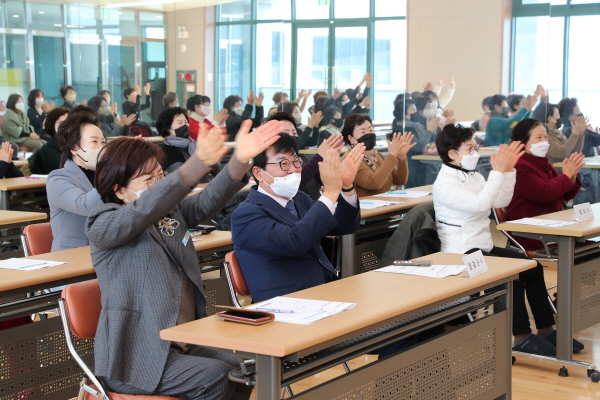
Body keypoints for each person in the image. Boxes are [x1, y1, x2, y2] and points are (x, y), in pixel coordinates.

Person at [86, 120, 283, 400]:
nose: (158, 184)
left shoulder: (167, 213)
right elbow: (144, 209)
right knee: (216, 377)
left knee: (246, 366)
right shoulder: (104, 223)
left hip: (180, 342)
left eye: (160, 175)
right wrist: (198, 162)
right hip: (134, 358)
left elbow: (206, 201)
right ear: (119, 190)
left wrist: (239, 160)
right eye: (149, 180)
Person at [433, 123, 565, 356]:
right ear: (452, 153)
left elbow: (499, 200)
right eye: (469, 149)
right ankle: (521, 335)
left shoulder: (471, 176)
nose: (475, 153)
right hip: (462, 253)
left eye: (475, 148)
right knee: (510, 273)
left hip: (482, 246)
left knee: (531, 266)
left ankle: (546, 328)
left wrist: (509, 171)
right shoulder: (444, 184)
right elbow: (480, 205)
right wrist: (496, 171)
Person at [231, 133, 364, 302]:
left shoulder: (300, 199)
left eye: (296, 162)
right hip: (285, 302)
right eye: (283, 164)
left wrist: (346, 187)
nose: (293, 169)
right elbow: (295, 242)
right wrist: (330, 192)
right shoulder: (246, 214)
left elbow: (344, 226)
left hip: (323, 289)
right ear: (258, 173)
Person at [507, 119, 584, 254]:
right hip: (532, 229)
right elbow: (545, 194)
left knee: (589, 245)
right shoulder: (520, 166)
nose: (544, 142)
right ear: (523, 142)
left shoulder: (543, 163)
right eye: (539, 138)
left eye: (545, 137)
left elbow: (565, 195)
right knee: (583, 248)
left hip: (552, 223)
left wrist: (571, 177)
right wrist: (566, 176)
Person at [47, 106, 105, 252]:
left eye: (103, 142)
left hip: (106, 252)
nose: (101, 147)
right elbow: (86, 205)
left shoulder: (102, 173)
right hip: (73, 255)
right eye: (94, 142)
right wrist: (109, 173)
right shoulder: (58, 178)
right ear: (74, 147)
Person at [265, 111, 344, 201]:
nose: (291, 136)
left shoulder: (305, 159)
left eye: (294, 133)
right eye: (286, 133)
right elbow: (295, 182)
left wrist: (332, 163)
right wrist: (320, 155)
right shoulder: (271, 164)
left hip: (315, 209)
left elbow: (325, 180)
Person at [342, 113, 414, 197]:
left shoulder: (377, 156)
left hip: (384, 205)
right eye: (362, 131)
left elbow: (400, 180)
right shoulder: (351, 159)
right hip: (364, 208)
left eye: (370, 130)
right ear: (351, 138)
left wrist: (401, 158)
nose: (368, 134)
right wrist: (392, 156)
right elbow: (374, 183)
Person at [156, 106, 219, 178]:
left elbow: (216, 171)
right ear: (167, 128)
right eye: (180, 123)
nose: (185, 125)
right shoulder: (167, 151)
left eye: (186, 122)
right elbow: (183, 177)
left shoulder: (194, 144)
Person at [392, 95, 439, 188]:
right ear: (404, 113)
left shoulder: (416, 124)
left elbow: (428, 141)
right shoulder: (404, 127)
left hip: (420, 163)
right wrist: (429, 130)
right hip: (411, 164)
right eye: (413, 110)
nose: (416, 112)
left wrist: (432, 129)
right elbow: (418, 146)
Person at [28, 108, 69, 175]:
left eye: (68, 122)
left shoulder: (76, 144)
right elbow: (66, 166)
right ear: (52, 125)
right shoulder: (48, 149)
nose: (66, 125)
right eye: (62, 122)